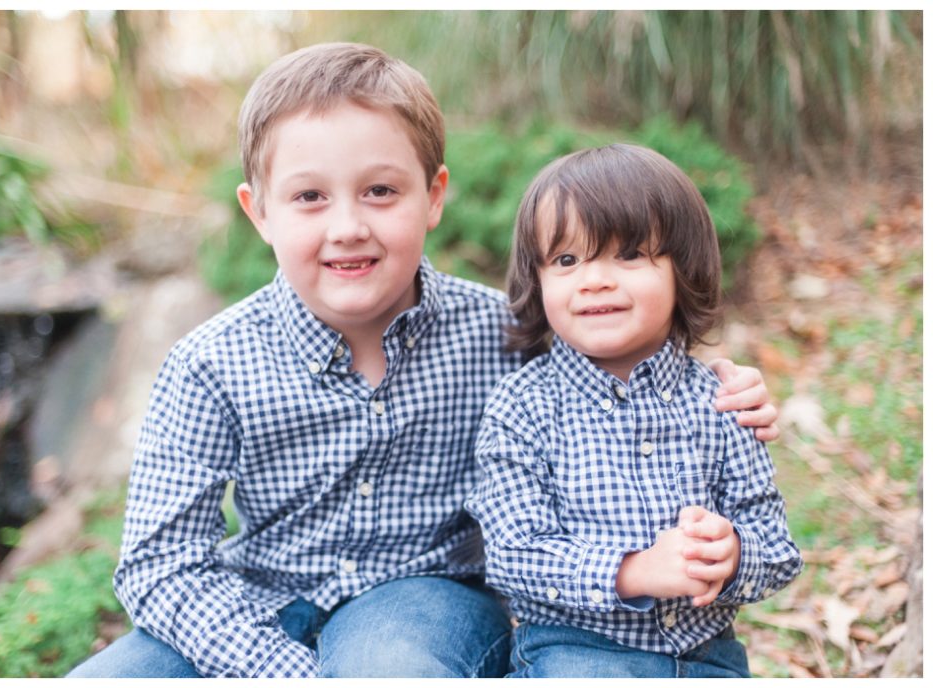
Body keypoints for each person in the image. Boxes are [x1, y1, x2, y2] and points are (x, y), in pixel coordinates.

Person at [67, 44, 779, 679]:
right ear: (259, 214)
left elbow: (624, 356)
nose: (349, 226)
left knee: (393, 668)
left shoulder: (508, 333)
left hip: (424, 599)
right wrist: (282, 672)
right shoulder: (209, 364)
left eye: (381, 191)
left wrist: (723, 382)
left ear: (433, 196)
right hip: (257, 597)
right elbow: (161, 567)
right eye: (309, 197)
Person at [465, 144, 803, 679]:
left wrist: (735, 555)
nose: (594, 279)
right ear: (538, 279)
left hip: (706, 654)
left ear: (682, 271)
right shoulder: (523, 407)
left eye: (628, 255)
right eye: (567, 260)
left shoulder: (720, 401)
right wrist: (634, 571)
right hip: (573, 651)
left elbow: (778, 548)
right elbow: (512, 555)